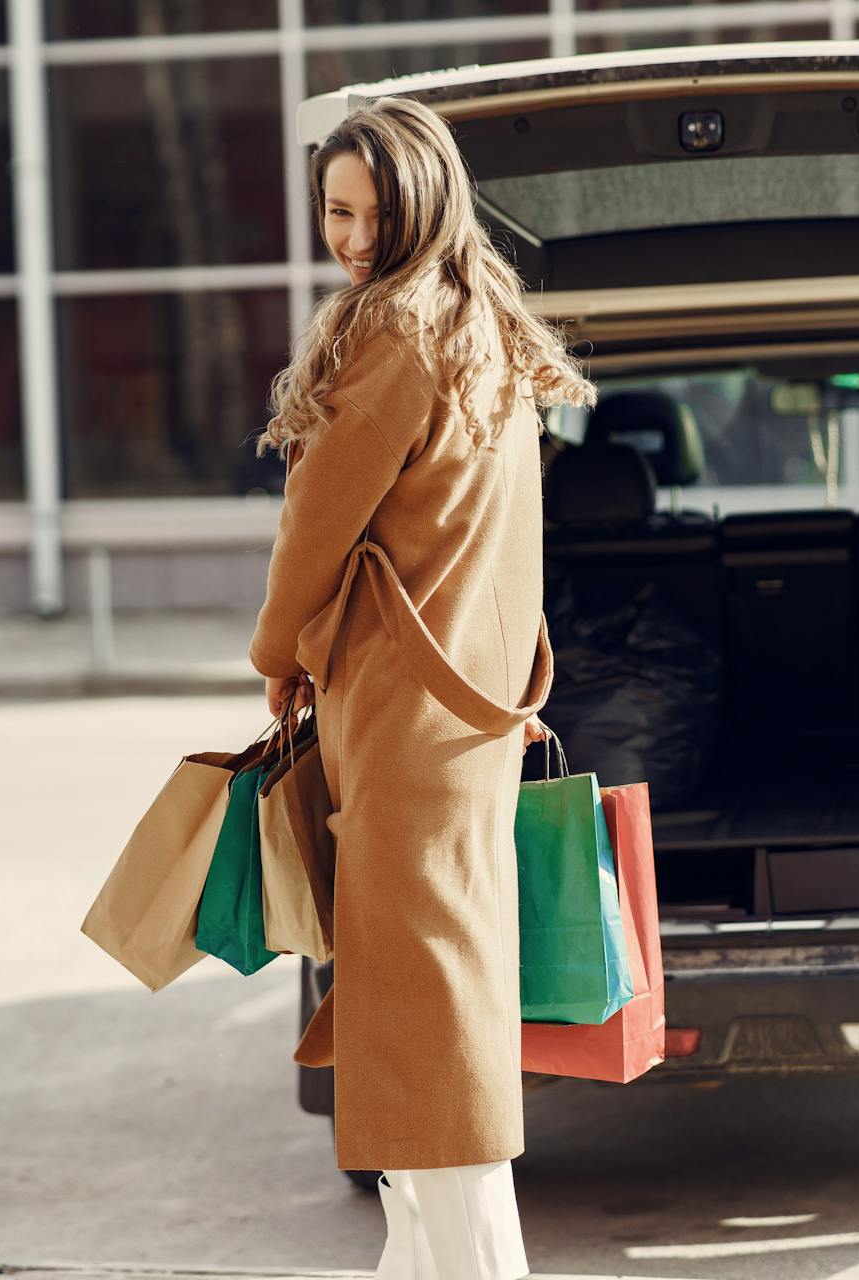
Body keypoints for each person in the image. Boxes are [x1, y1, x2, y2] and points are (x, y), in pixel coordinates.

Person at [246, 96, 595, 1280]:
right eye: (333, 211)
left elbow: (316, 528)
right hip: (463, 714)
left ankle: (484, 1268)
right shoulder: (479, 323)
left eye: (368, 211)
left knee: (426, 1012)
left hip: (405, 719)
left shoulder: (393, 333)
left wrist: (275, 652)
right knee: (427, 996)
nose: (348, 235)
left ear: (422, 204)